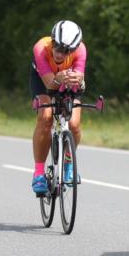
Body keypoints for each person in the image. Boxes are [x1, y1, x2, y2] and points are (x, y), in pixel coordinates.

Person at [29, 20, 87, 194]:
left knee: (74, 124)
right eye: (57, 46)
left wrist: (80, 81)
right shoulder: (40, 48)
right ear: (52, 40)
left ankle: (69, 164)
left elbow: (81, 81)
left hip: (67, 80)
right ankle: (38, 173)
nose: (60, 54)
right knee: (46, 117)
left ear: (74, 49)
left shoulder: (81, 50)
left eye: (66, 50)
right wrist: (58, 78)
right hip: (43, 80)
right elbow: (49, 84)